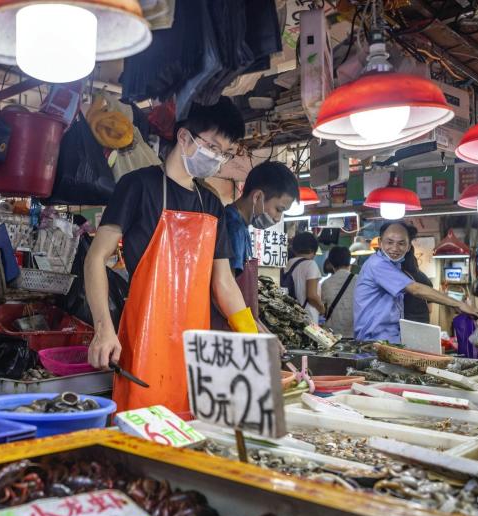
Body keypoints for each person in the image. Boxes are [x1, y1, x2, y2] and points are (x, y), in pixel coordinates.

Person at [85, 98, 256, 414]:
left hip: (194, 349)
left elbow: (224, 283)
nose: (217, 158)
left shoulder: (212, 202)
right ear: (184, 137)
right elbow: (96, 257)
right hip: (144, 340)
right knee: (140, 437)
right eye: (213, 147)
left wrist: (253, 337)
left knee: (190, 436)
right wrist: (103, 329)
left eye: (224, 154)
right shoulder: (138, 185)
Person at [354, 221, 478, 342]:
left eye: (401, 243)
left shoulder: (395, 265)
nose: (395, 248)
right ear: (381, 242)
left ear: (408, 246)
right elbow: (415, 289)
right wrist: (459, 304)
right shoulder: (377, 264)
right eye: (389, 242)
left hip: (388, 338)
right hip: (373, 341)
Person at [211, 161, 298, 332]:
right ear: (257, 197)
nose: (278, 218)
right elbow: (222, 290)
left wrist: (259, 327)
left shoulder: (242, 227)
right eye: (279, 209)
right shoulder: (231, 226)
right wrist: (253, 331)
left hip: (237, 327)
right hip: (226, 329)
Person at [284, 232, 325, 322]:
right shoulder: (311, 264)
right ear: (313, 250)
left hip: (291, 315)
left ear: (294, 249)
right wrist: (322, 308)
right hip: (307, 317)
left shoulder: (288, 264)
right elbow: (311, 296)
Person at [320, 246, 356, 338]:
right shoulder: (360, 280)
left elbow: (323, 309)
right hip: (355, 333)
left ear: (331, 263)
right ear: (349, 261)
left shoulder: (326, 283)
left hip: (333, 335)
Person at [402, 225, 432, 323]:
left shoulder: (399, 276)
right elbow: (430, 309)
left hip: (405, 324)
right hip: (423, 323)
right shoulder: (424, 278)